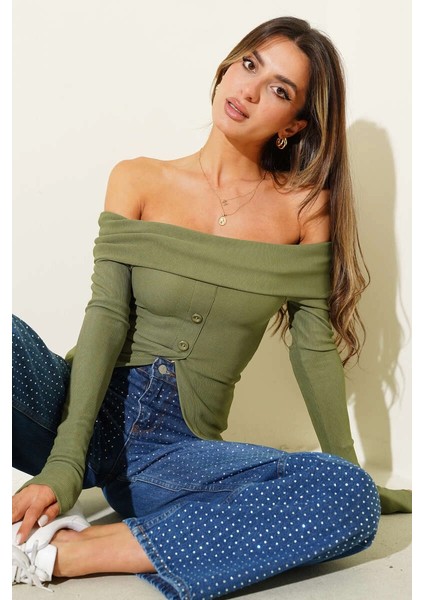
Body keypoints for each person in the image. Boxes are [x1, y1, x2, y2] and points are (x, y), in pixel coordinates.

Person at [12, 15, 411, 598]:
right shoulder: (138, 178)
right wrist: (65, 464)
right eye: (249, 64)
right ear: (227, 67)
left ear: (294, 124)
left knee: (346, 497)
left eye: (279, 90)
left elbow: (314, 347)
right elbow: (106, 317)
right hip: (73, 403)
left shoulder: (303, 211)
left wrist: (351, 473)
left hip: (171, 451)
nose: (249, 90)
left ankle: (75, 552)